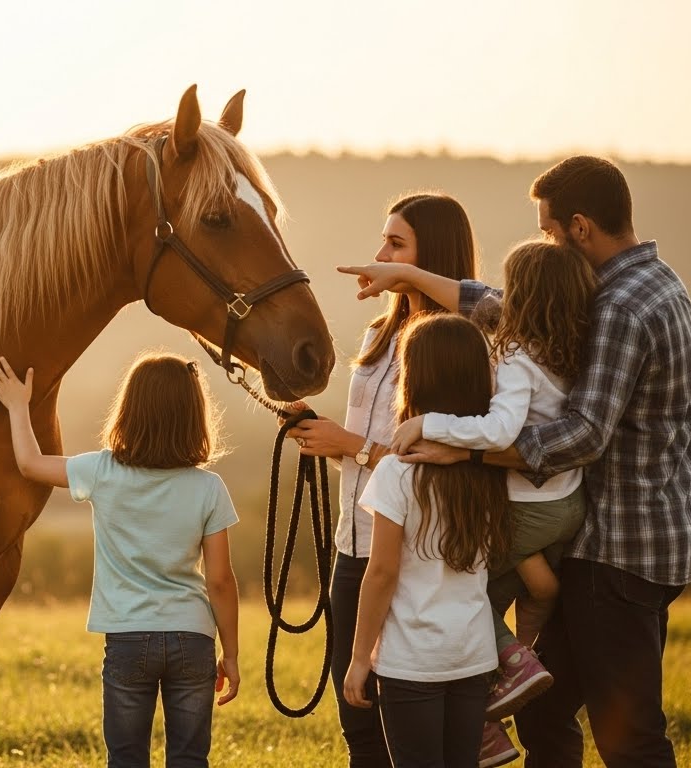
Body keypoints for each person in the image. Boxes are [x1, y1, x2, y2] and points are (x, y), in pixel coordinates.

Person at [352, 156, 691, 768]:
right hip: (638, 538)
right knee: (546, 705)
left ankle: (479, 682)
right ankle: (497, 684)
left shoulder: (617, 306)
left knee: (629, 733)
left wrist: (466, 450)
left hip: (619, 548)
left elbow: (584, 434)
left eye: (548, 230)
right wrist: (410, 274)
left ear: (581, 228)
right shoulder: (651, 283)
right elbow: (508, 308)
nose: (546, 241)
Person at [381, 240, 597, 764]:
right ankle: (510, 672)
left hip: (527, 505)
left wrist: (428, 423)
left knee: (464, 591)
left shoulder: (519, 359)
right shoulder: (570, 354)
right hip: (568, 504)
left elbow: (501, 430)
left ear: (523, 299)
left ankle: (507, 677)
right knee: (525, 586)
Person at [286, 192, 480, 767]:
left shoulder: (459, 349)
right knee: (358, 719)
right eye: (384, 240)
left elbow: (444, 455)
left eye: (396, 244)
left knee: (401, 722)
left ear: (428, 256)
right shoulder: (378, 334)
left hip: (409, 557)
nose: (381, 254)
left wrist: (350, 448)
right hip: (354, 548)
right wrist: (320, 431)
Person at [0, 352, 241, 768]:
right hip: (192, 638)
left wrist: (18, 406)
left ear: (129, 409)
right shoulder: (209, 488)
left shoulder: (102, 471)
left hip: (127, 638)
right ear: (195, 415)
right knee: (191, 758)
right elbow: (221, 582)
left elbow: (29, 464)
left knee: (124, 759)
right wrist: (230, 653)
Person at [343, 313, 511, 768]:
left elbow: (381, 573)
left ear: (412, 384)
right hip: (473, 658)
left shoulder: (398, 473)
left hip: (409, 663)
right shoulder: (491, 471)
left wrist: (360, 659)